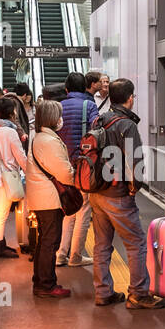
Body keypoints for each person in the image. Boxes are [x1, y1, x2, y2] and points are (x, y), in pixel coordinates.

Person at [88, 78, 165, 309]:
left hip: (97, 191)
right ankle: (139, 294)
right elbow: (135, 161)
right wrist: (134, 187)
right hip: (117, 193)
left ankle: (103, 292)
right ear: (130, 97)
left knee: (102, 245)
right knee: (136, 243)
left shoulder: (98, 119)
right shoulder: (127, 124)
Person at [26, 98, 76, 299]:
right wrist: (73, 173)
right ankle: (46, 285)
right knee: (50, 242)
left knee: (44, 241)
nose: (61, 119)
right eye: (59, 115)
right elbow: (64, 172)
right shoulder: (49, 141)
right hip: (49, 199)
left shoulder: (40, 137)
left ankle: (40, 280)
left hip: (42, 197)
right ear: (52, 118)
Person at [57, 72, 99, 268]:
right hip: (83, 165)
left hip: (63, 164)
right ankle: (75, 255)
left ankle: (61, 253)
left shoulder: (59, 107)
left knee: (68, 208)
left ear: (66, 89)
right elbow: (97, 131)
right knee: (83, 209)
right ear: (84, 88)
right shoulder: (89, 106)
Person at [0, 96, 27, 258]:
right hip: (6, 176)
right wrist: (29, 171)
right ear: (11, 113)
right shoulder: (10, 132)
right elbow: (20, 156)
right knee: (2, 213)